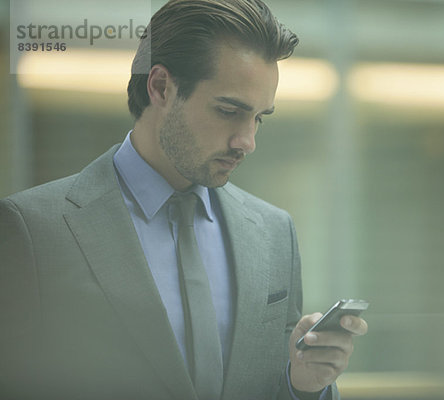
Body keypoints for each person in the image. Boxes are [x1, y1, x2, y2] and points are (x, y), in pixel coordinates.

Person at [0, 0, 368, 399]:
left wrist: (304, 385)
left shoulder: (275, 233)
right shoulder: (34, 230)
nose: (248, 141)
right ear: (160, 87)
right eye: (229, 111)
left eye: (259, 117)